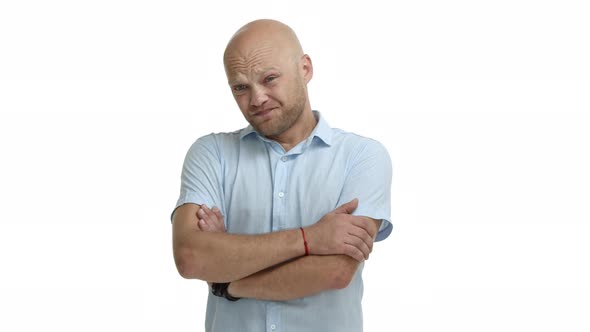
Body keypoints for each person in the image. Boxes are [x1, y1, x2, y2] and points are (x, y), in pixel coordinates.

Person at [171, 19, 393, 332]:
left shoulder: (362, 156)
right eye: (241, 87)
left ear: (305, 69)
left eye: (270, 78)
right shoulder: (212, 153)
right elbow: (192, 257)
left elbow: (334, 272)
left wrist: (225, 282)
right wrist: (310, 238)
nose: (257, 98)